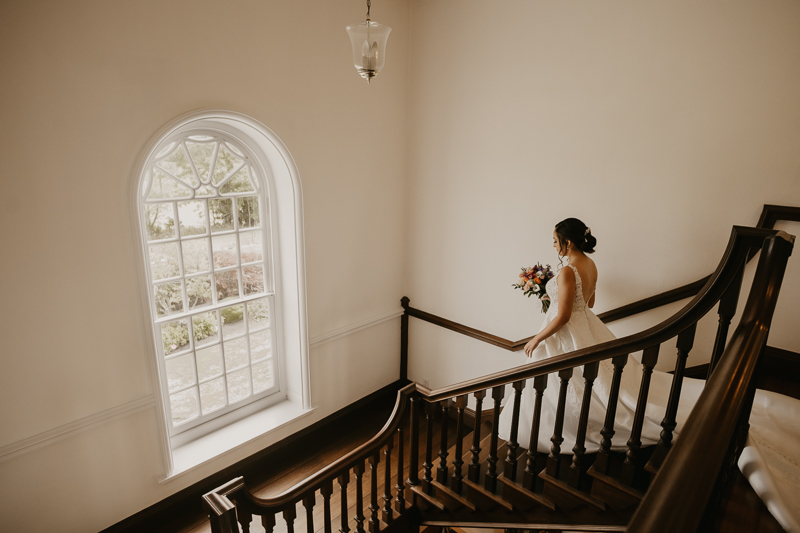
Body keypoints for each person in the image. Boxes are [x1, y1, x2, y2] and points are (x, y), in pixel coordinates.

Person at [496, 218, 800, 532]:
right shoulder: (590, 265)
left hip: (567, 334)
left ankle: (571, 427)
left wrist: (537, 338)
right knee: (605, 380)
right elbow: (589, 303)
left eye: (555, 241)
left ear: (567, 242)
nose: (554, 246)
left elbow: (561, 315)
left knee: (576, 385)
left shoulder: (566, 270)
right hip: (587, 328)